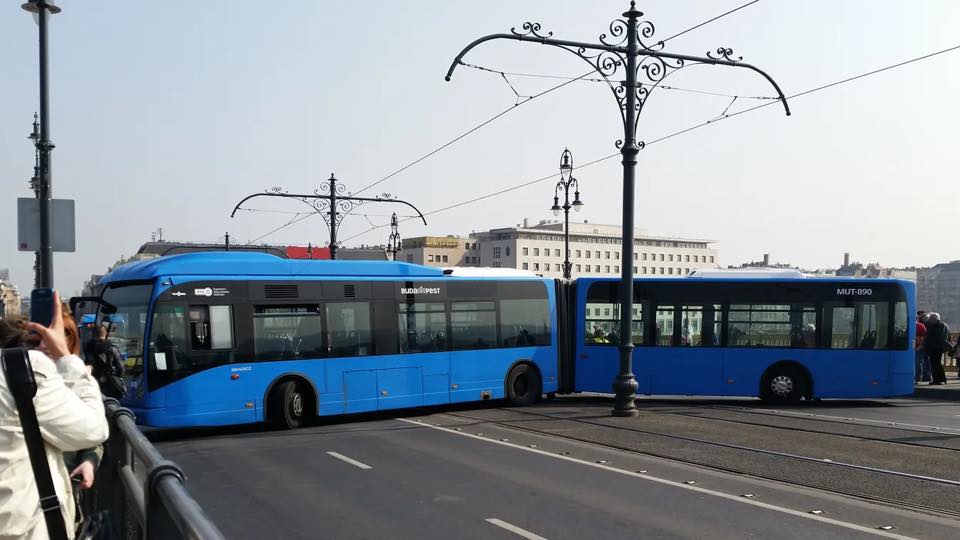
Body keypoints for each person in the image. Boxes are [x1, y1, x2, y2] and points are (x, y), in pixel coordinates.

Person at [0, 293, 109, 539]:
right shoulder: (30, 374)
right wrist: (67, 361)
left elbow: (92, 440)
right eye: (34, 340)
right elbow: (92, 429)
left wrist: (90, 459)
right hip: (30, 524)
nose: (44, 345)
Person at [83, 324, 126, 399]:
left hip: (93, 384)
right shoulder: (112, 349)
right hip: (109, 385)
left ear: (93, 335)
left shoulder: (87, 348)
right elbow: (121, 369)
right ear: (106, 334)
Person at [923, 312, 951, 385]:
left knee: (936, 364)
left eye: (930, 318)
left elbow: (941, 338)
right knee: (936, 364)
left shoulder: (941, 325)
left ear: (934, 319)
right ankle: (939, 379)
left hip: (936, 348)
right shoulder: (937, 325)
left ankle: (938, 380)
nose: (929, 320)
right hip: (935, 348)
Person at [915, 311, 930, 383]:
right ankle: (918, 376)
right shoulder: (910, 325)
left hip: (919, 347)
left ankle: (918, 377)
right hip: (913, 347)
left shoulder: (921, 326)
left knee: (919, 363)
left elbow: (924, 337)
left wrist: (920, 346)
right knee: (918, 363)